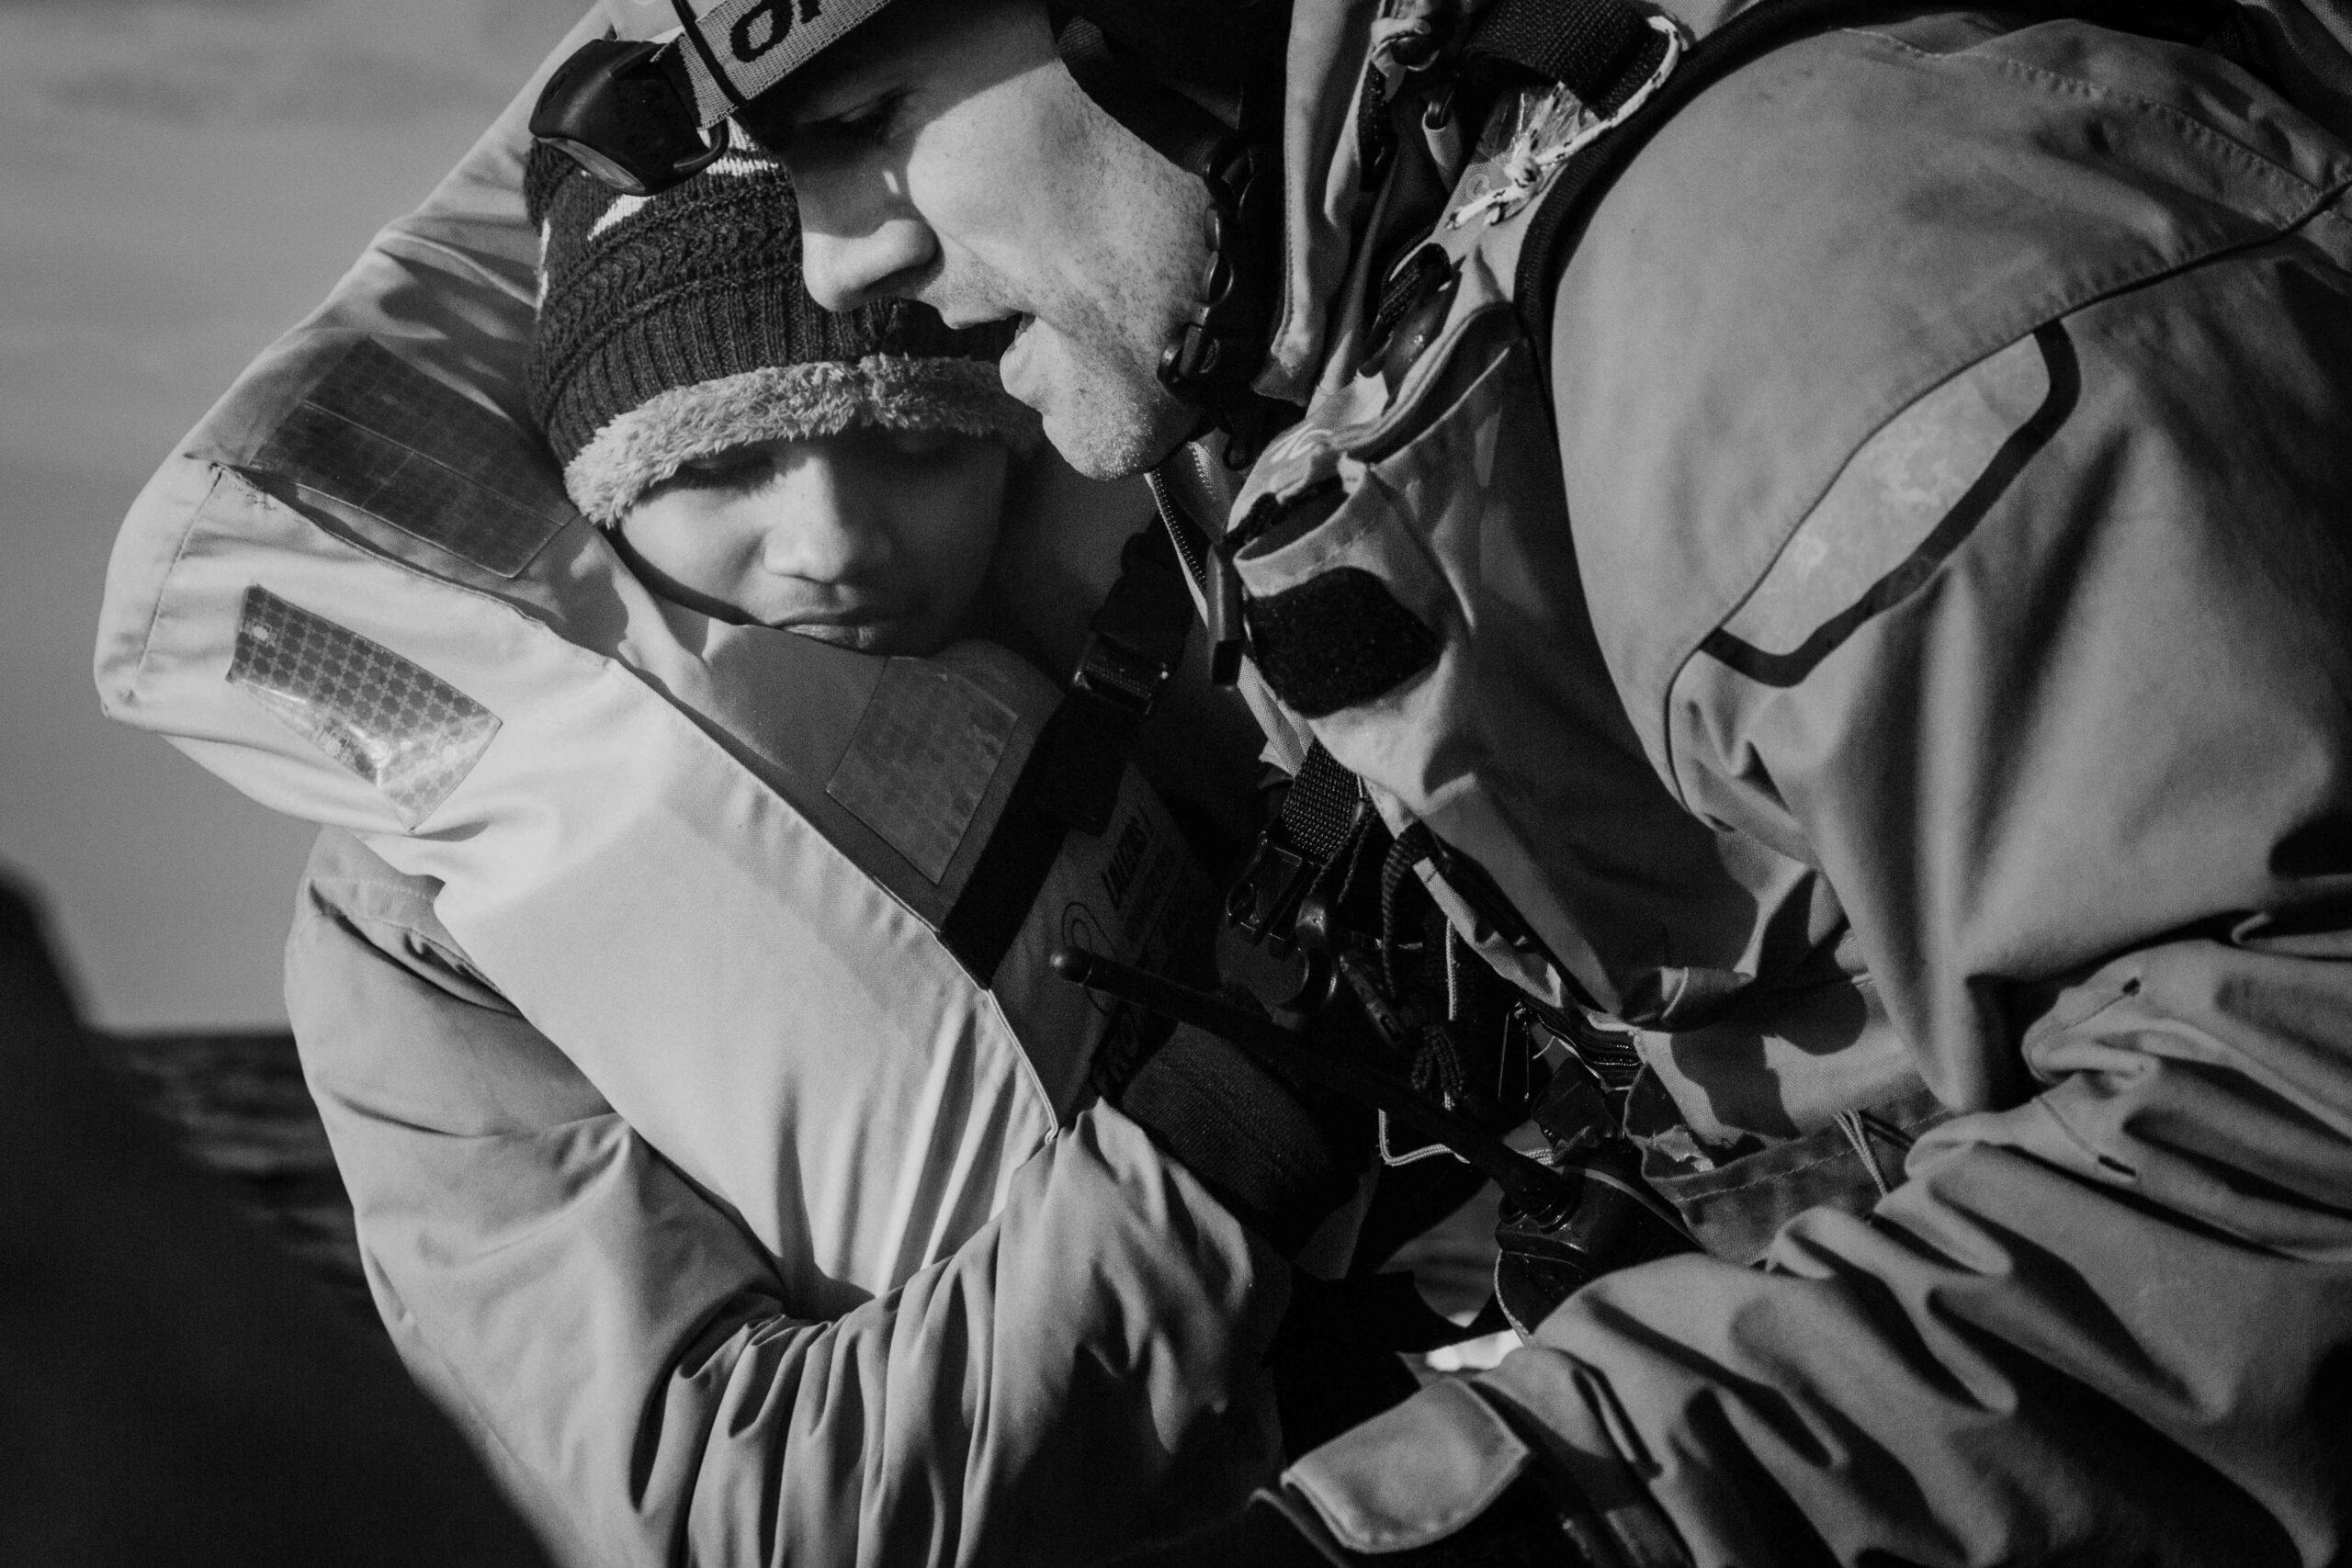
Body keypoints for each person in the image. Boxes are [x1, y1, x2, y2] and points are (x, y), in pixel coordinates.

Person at [505, 0, 2352, 1563]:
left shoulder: (1822, 268)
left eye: (864, 125)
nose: (834, 257)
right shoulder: (1339, 315)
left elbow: (2284, 1141)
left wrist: (1522, 1516)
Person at [95, 64, 1393, 1566]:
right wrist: (1223, 1141)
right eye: (722, 465)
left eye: (918, 445)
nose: (831, 542)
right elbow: (724, 1516)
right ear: (597, 496)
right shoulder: (416, 939)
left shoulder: (1153, 635)